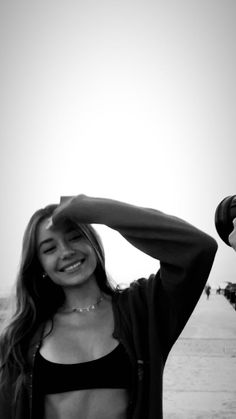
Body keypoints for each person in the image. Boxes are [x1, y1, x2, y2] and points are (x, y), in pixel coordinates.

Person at [0, 194, 218, 419]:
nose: (66, 252)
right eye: (49, 249)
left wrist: (92, 208)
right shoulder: (22, 335)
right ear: (40, 265)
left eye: (75, 237)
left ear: (93, 243)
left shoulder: (142, 309)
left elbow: (198, 248)